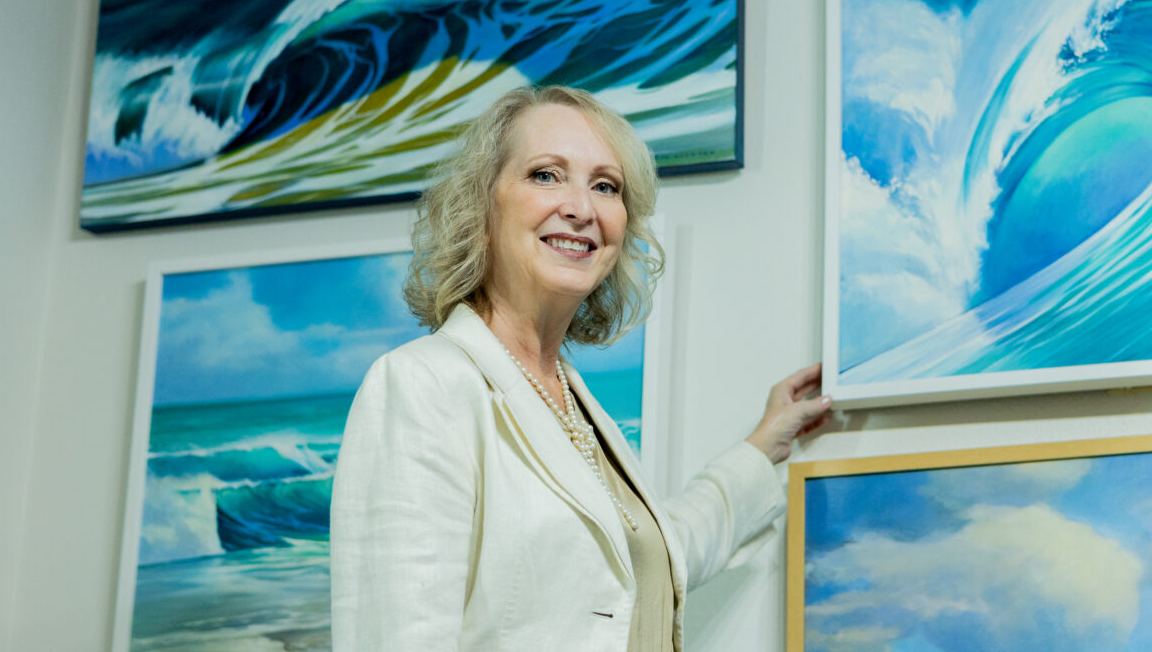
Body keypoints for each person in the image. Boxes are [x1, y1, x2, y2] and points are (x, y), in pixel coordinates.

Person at [329, 85, 831, 651]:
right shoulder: (422, 385)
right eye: (546, 175)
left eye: (605, 185)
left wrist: (763, 445)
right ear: (482, 207)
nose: (581, 208)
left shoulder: (567, 397)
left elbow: (651, 554)